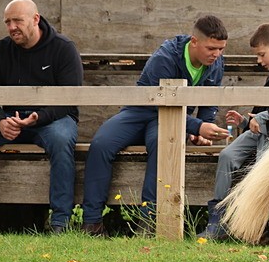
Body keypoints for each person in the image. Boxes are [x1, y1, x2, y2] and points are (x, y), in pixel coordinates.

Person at [81, 15, 228, 235]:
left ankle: (148, 222)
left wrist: (203, 128)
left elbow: (208, 101)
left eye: (221, 49)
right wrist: (196, 126)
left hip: (173, 118)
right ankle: (91, 222)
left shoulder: (216, 64)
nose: (216, 54)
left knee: (162, 145)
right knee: (101, 143)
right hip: (141, 111)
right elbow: (160, 104)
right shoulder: (166, 56)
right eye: (211, 48)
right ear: (194, 41)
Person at [0, 0, 83, 234]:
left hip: (52, 119)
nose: (12, 27)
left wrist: (38, 118)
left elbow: (70, 100)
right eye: (7, 22)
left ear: (35, 19)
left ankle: (60, 222)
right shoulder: (1, 50)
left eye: (17, 21)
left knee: (61, 141)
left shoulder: (63, 48)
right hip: (10, 119)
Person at [202, 23, 269, 240]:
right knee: (227, 156)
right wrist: (245, 120)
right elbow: (262, 110)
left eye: (261, 54)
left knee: (265, 177)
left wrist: (263, 118)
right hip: (260, 132)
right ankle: (217, 219)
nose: (259, 60)